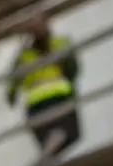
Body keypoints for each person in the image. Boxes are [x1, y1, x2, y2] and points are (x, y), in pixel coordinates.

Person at [6, 14, 81, 156]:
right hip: (57, 99)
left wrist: (11, 98)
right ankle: (55, 144)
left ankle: (53, 147)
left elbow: (11, 86)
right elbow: (73, 69)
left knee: (54, 143)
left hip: (38, 106)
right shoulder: (59, 44)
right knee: (70, 135)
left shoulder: (23, 56)